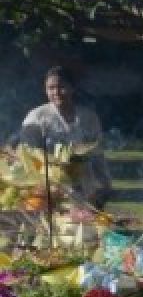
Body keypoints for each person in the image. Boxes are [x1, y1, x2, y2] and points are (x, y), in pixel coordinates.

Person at [21, 66, 112, 209]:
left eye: (61, 87)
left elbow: (98, 154)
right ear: (45, 90)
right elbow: (27, 157)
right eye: (51, 88)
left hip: (85, 190)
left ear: (72, 88)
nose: (56, 92)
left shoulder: (89, 118)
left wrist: (106, 184)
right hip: (49, 192)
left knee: (84, 228)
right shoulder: (36, 117)